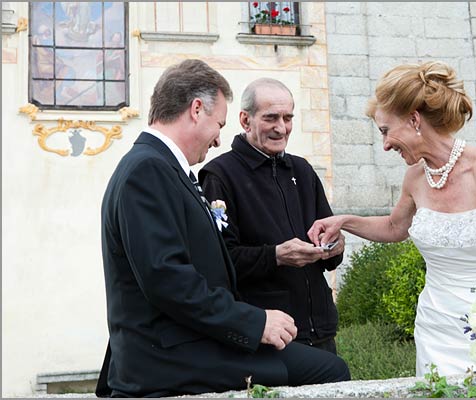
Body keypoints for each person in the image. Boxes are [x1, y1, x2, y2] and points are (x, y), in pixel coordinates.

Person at [97, 60, 350, 397]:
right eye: (219, 124)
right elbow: (167, 279)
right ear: (196, 110)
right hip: (168, 355)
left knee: (327, 365)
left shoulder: (159, 166)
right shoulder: (149, 170)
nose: (218, 140)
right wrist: (255, 322)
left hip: (186, 342)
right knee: (330, 370)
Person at [307, 60, 476, 377]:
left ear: (415, 119)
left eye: (386, 131)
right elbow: (394, 227)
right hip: (435, 328)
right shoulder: (415, 178)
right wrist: (344, 220)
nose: (385, 144)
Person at [199, 78, 345, 354]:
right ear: (245, 120)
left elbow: (332, 251)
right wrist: (276, 255)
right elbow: (218, 262)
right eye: (271, 118)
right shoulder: (219, 176)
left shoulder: (303, 171)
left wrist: (335, 246)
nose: (281, 128)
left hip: (322, 331)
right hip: (268, 335)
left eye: (288, 118)